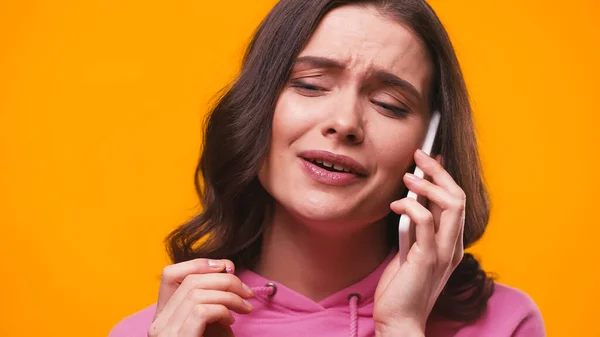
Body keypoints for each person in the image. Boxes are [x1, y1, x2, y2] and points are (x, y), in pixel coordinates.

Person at [109, 0, 545, 336]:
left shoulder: (503, 323)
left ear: (432, 148)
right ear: (256, 110)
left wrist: (400, 326)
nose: (345, 123)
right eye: (310, 85)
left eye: (389, 105)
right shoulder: (153, 331)